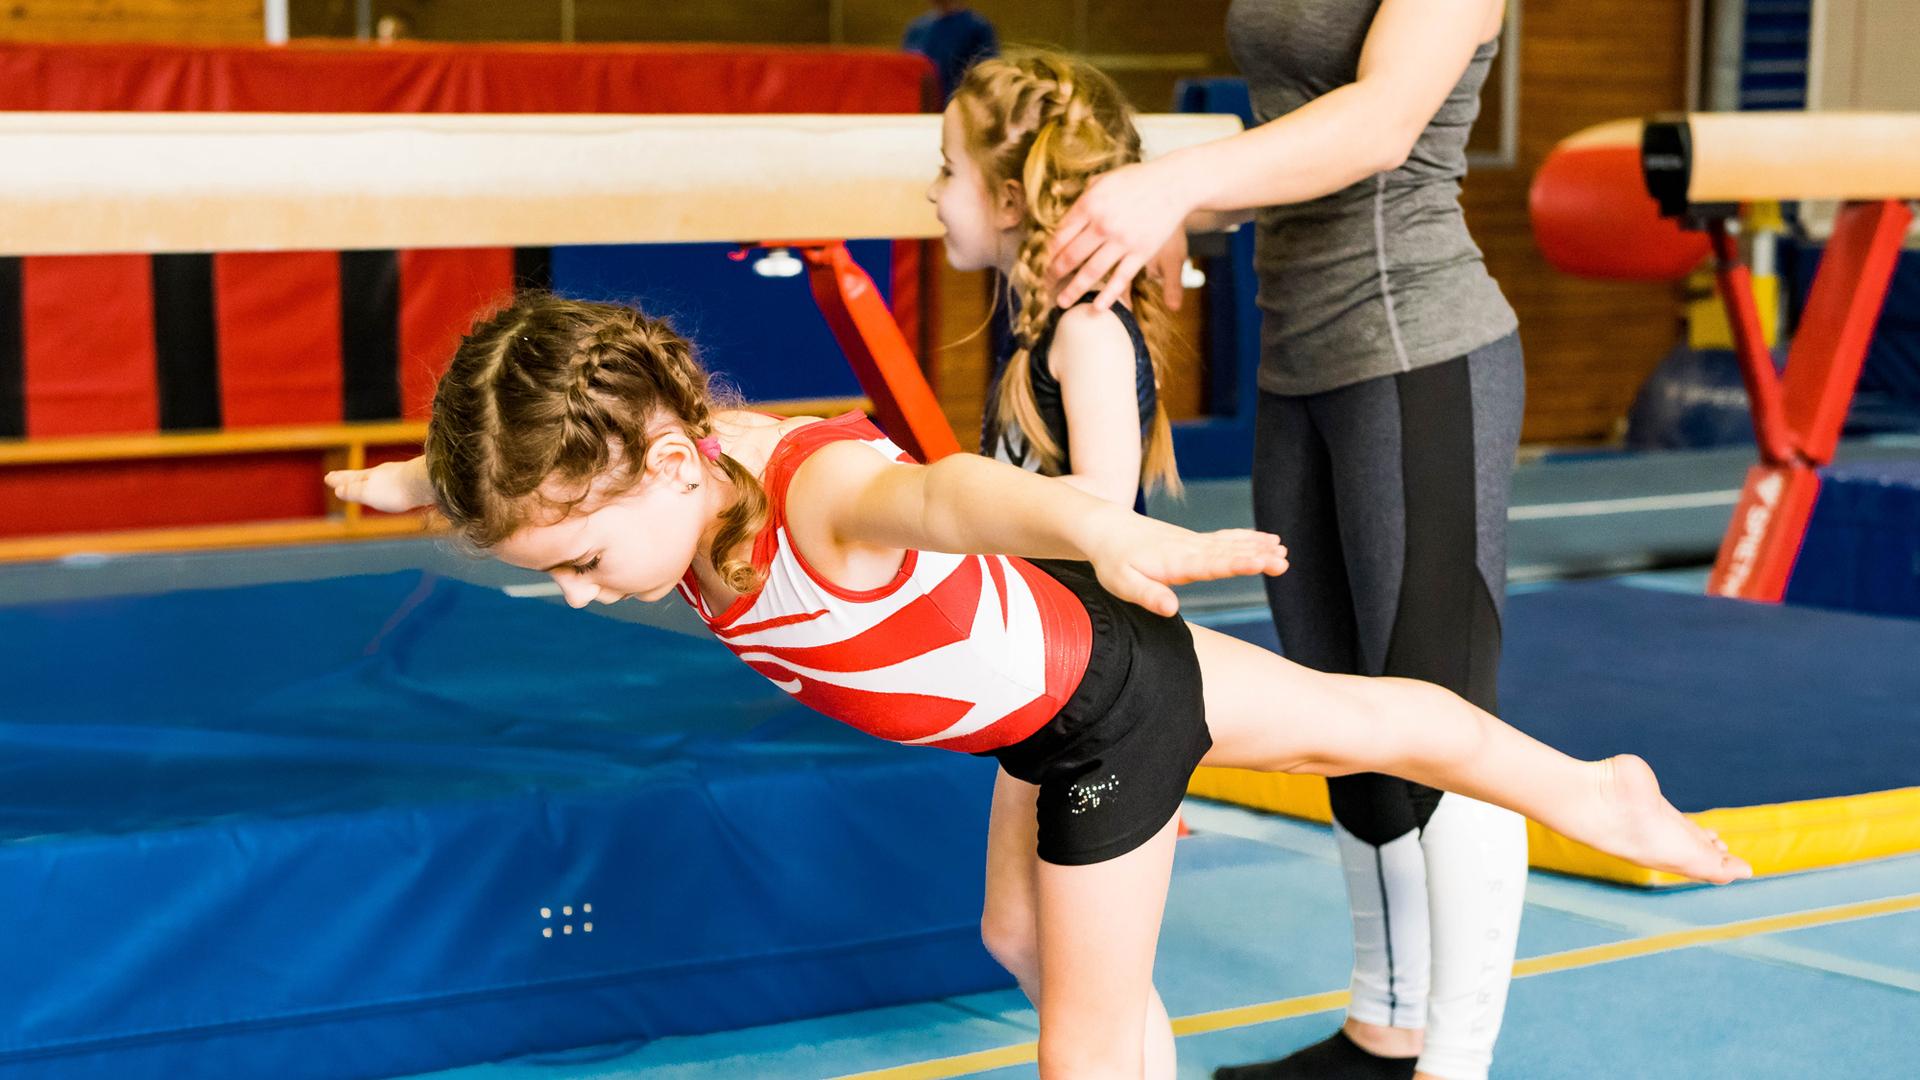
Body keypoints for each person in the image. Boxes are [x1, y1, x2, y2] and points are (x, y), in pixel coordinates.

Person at [326, 292, 1746, 1080]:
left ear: (675, 462)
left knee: (1081, 1022)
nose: (579, 592)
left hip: (1093, 709)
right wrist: (408, 482)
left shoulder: (819, 496)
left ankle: (1587, 790)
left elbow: (950, 493)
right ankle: (1581, 785)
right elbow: (520, 482)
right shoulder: (659, 466)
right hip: (1043, 684)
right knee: (1028, 925)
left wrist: (1102, 521)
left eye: (579, 558)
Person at [1042, 3, 1531, 1076]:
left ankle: (1457, 1063)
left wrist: (1178, 184)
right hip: (1301, 359)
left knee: (1442, 716)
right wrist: (1181, 206)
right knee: (1346, 715)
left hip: (1418, 347)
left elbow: (1379, 123)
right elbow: (1294, 116)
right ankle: (1386, 1029)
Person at [931, 50, 1186, 1077]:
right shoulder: (1036, 336)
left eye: (946, 170)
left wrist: (962, 506)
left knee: (1094, 994)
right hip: (1048, 680)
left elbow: (1106, 507)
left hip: (1107, 688)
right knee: (1017, 936)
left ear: (1009, 195)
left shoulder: (1084, 333)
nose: (932, 195)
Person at [902, 0, 999, 101]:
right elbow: (906, 74)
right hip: (923, 108)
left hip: (959, 104)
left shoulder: (977, 28)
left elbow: (987, 73)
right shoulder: (916, 29)